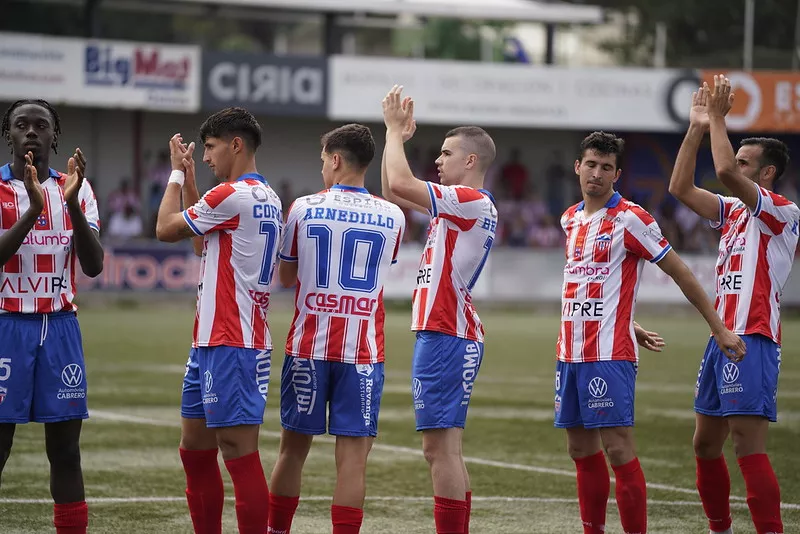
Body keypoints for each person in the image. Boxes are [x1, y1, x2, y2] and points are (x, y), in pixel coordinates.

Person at [555, 131, 745, 534]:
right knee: (578, 449)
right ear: (578, 167)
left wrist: (720, 329)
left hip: (608, 354)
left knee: (618, 449)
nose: (596, 173)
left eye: (606, 167)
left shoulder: (631, 218)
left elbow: (680, 272)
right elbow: (590, 282)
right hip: (569, 350)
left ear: (617, 174)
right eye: (590, 164)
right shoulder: (570, 218)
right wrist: (632, 322)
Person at [669, 75, 799, 534]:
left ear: (766, 174)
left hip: (753, 337)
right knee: (705, 445)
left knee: (747, 445)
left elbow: (723, 172)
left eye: (747, 163)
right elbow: (681, 188)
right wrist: (697, 128)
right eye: (737, 159)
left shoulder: (781, 212)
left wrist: (720, 119)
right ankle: (719, 528)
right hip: (720, 336)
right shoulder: (733, 212)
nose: (733, 166)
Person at [267, 123, 404, 534]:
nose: (323, 167)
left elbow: (287, 278)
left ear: (336, 159)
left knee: (291, 452)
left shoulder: (303, 207)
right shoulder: (393, 215)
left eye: (324, 160)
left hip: (309, 346)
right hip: (362, 354)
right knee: (353, 458)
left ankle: (277, 531)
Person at [155, 107, 282, 534]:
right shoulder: (262, 195)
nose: (206, 157)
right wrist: (193, 183)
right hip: (214, 340)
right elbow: (199, 245)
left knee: (238, 452)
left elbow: (165, 228)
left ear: (236, 145)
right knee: (194, 449)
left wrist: (175, 175)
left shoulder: (232, 195)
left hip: (233, 340)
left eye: (210, 148)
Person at [381, 85, 497, 534]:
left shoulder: (470, 201)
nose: (438, 160)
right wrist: (394, 141)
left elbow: (402, 183)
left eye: (446, 154)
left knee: (439, 450)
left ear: (470, 162)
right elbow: (393, 194)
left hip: (447, 332)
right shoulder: (459, 207)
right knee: (446, 447)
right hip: (450, 331)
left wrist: (394, 131)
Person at [0, 99, 104, 534]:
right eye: (20, 125)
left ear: (54, 136)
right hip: (6, 328)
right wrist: (33, 209)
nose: (30, 132)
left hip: (60, 330)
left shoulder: (77, 188)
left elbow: (94, 265)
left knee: (65, 452)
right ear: (8, 134)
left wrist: (73, 204)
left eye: (40, 125)